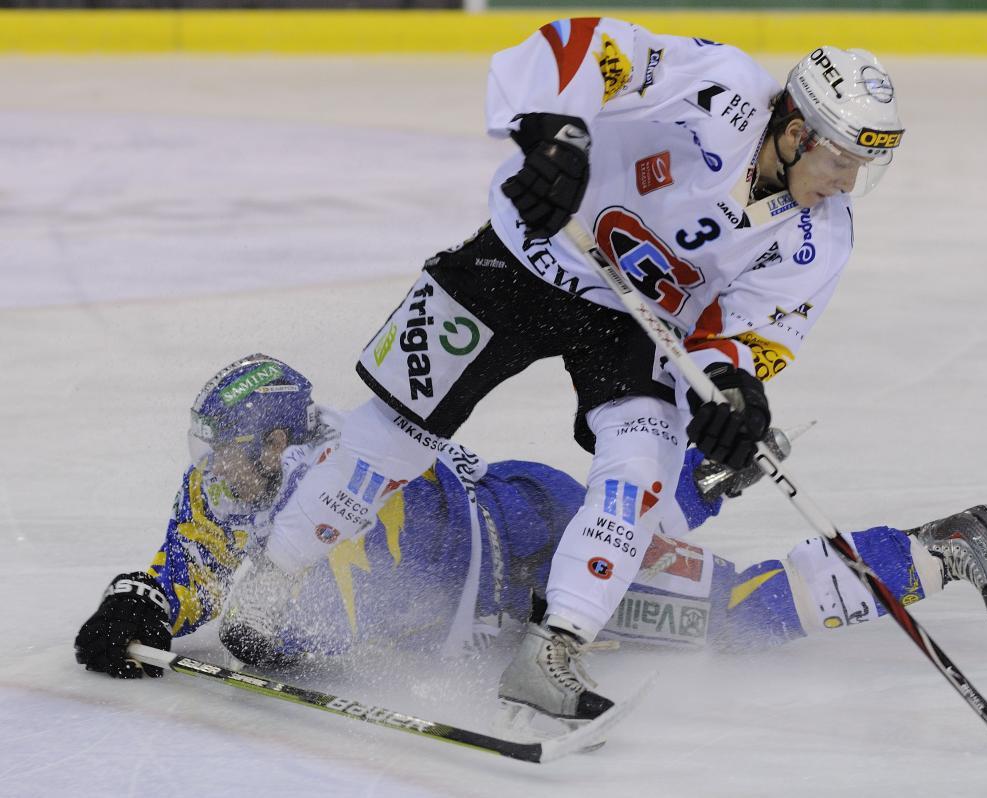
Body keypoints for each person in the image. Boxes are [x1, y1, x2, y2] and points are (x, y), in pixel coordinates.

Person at [194, 19, 913, 725]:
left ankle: (553, 650)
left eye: (862, 164)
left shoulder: (823, 237)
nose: (849, 181)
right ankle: (272, 584)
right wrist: (555, 132)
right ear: (794, 132)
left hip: (635, 323)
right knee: (393, 436)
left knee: (641, 471)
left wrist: (733, 387)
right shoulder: (720, 87)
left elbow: (746, 333)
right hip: (524, 254)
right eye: (842, 158)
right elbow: (583, 44)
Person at [75, 356, 987, 698]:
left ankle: (945, 547)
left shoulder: (358, 474)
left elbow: (409, 590)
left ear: (283, 441)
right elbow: (191, 567)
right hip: (530, 550)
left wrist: (286, 641)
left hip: (539, 545)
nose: (214, 467)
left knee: (735, 618)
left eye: (231, 446)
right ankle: (701, 484)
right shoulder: (230, 490)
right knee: (689, 576)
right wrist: (140, 604)